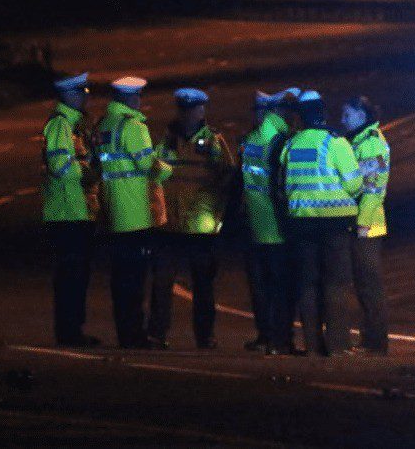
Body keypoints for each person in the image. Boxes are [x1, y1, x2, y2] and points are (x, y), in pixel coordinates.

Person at [148, 88, 235, 349]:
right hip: (170, 223)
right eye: (184, 110)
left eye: (193, 110)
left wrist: (218, 212)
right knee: (162, 282)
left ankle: (205, 336)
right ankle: (157, 333)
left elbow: (228, 176)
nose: (188, 115)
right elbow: (154, 174)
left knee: (203, 285)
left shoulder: (214, 141)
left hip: (200, 225)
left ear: (201, 111)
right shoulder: (166, 141)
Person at [280, 90, 363, 356]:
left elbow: (282, 183)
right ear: (323, 113)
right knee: (336, 283)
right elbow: (354, 184)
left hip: (302, 223)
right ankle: (338, 345)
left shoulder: (291, 145)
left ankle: (313, 346)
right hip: (334, 224)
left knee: (308, 284)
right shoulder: (336, 143)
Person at [97, 76, 172, 349]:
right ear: (130, 98)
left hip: (113, 211)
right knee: (136, 280)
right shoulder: (133, 126)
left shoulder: (105, 125)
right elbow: (147, 165)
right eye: (138, 96)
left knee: (120, 280)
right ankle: (135, 336)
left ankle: (125, 333)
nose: (140, 100)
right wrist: (168, 169)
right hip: (136, 213)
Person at [42, 72, 101, 347]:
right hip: (65, 211)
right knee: (70, 276)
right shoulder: (60, 125)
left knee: (78, 275)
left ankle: (74, 329)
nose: (84, 98)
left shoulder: (75, 124)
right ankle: (69, 332)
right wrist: (86, 172)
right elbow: (59, 166)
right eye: (80, 93)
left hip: (78, 210)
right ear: (66, 95)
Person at [240, 90, 294, 354]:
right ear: (278, 112)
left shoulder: (250, 140)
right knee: (282, 287)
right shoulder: (281, 141)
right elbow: (283, 185)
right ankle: (281, 340)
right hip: (277, 226)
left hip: (254, 223)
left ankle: (264, 336)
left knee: (260, 287)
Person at [341, 96, 391, 354]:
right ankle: (371, 338)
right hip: (362, 223)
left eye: (347, 115)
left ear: (362, 116)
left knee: (369, 286)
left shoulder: (370, 144)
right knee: (363, 285)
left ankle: (376, 341)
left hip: (367, 226)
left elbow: (373, 189)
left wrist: (361, 224)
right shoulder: (359, 141)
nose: (342, 120)